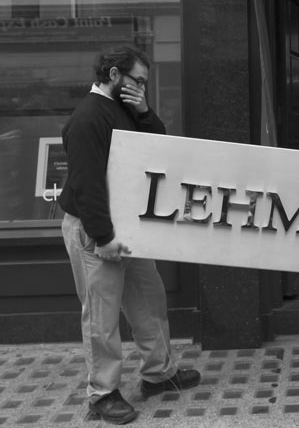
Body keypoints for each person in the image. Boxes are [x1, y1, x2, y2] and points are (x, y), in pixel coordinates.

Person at [58, 46, 200, 424]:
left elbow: (157, 147)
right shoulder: (88, 118)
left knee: (148, 300)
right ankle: (102, 394)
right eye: (137, 81)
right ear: (114, 75)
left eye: (145, 84)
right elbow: (86, 184)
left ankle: (159, 373)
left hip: (126, 224)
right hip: (95, 230)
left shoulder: (125, 108)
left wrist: (144, 110)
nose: (141, 88)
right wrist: (103, 238)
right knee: (101, 316)